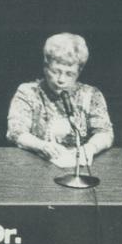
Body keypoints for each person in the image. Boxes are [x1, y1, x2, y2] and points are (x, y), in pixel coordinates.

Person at [6, 33, 114, 168]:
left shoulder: (91, 95)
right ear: (45, 67)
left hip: (80, 167)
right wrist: (41, 146)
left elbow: (105, 133)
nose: (61, 80)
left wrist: (90, 148)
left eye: (70, 74)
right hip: (36, 168)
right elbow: (16, 132)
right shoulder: (28, 92)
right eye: (56, 71)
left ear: (79, 72)